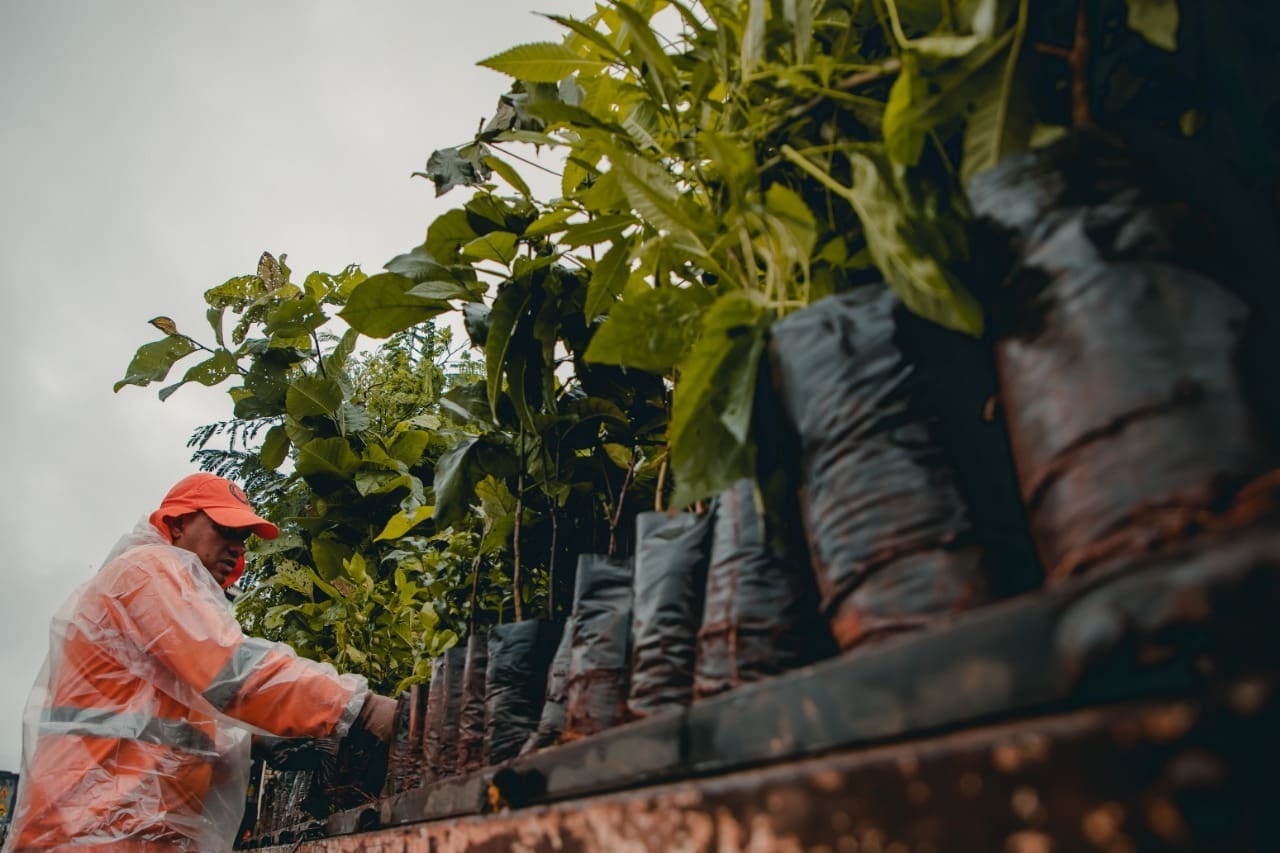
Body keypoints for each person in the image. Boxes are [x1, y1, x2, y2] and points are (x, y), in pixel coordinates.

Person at [3, 473, 398, 851]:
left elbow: (158, 717)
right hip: (96, 831)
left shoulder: (152, 583)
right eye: (225, 531)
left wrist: (256, 741)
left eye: (242, 539)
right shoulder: (150, 572)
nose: (238, 548)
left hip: (110, 828)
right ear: (176, 525)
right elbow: (232, 672)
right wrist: (359, 709)